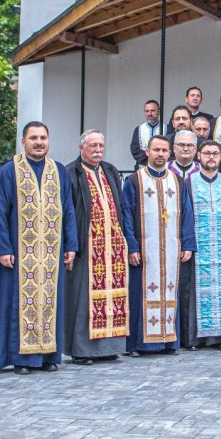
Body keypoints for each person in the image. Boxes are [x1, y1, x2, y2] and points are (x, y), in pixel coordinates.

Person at [0, 122, 78, 374]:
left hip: (51, 252)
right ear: (23, 141)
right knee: (17, 303)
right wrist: (3, 248)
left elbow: (68, 210)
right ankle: (21, 358)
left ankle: (49, 356)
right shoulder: (10, 171)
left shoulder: (58, 171)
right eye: (33, 138)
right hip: (20, 253)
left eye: (43, 138)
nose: (39, 142)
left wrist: (70, 244)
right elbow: (1, 211)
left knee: (50, 302)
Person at [120, 135, 197, 356]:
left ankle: (169, 341)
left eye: (164, 150)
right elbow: (126, 215)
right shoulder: (134, 181)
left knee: (171, 289)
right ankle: (138, 344)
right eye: (156, 150)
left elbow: (187, 214)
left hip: (171, 247)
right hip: (145, 250)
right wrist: (132, 247)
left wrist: (188, 244)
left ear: (169, 153)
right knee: (140, 293)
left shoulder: (178, 181)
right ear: (147, 152)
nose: (160, 154)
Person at [64, 130, 130, 364]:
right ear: (81, 147)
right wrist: (71, 244)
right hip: (87, 247)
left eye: (101, 145)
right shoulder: (71, 172)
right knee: (83, 299)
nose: (97, 150)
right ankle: (82, 350)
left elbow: (120, 207)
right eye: (92, 146)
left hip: (112, 248)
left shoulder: (110, 170)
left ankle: (110, 347)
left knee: (113, 298)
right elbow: (68, 212)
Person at [178, 139, 221, 351]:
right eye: (207, 153)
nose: (211, 157)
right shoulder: (188, 183)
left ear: (220, 157)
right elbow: (183, 215)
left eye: (215, 153)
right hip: (199, 248)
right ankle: (193, 339)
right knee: (193, 291)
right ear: (199, 156)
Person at [130, 99, 164, 167]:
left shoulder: (167, 128)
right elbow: (135, 150)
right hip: (142, 167)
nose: (149, 114)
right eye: (147, 111)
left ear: (159, 112)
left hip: (162, 167)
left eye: (152, 111)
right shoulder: (138, 129)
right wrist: (150, 160)